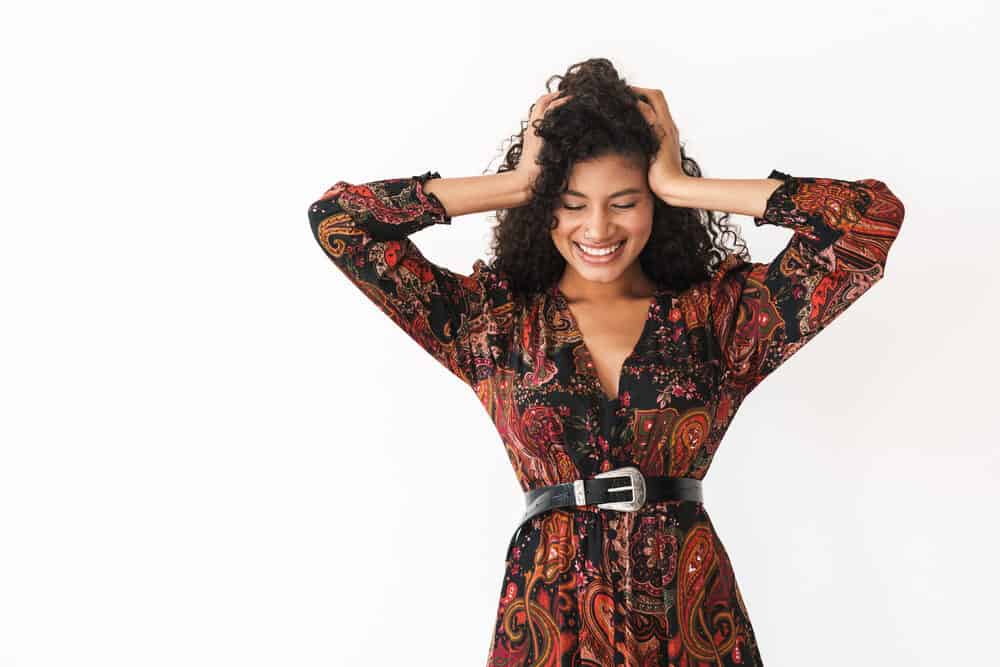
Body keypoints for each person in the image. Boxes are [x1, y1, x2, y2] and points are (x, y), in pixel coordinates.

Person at [306, 58, 905, 667]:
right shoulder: (491, 324)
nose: (597, 227)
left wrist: (680, 184)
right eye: (569, 203)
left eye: (625, 202)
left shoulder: (721, 322)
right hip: (548, 623)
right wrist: (518, 182)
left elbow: (868, 223)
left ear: (655, 207)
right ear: (544, 209)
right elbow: (339, 223)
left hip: (688, 617)